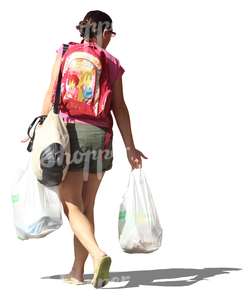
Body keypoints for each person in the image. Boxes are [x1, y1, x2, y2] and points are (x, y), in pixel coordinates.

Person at [26, 10, 148, 288]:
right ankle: (78, 272)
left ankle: (97, 253)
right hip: (100, 138)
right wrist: (130, 146)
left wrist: (41, 128)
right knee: (87, 205)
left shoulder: (66, 52)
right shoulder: (111, 62)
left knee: (71, 204)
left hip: (70, 135)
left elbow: (51, 91)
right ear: (105, 32)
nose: (111, 39)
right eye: (111, 34)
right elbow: (120, 107)